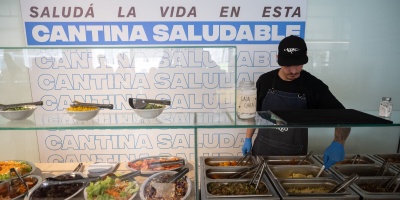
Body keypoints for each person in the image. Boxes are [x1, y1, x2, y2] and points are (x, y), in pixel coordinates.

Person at [242, 35, 350, 169]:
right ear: (278, 59)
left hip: (294, 159)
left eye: (298, 65)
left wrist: (338, 142)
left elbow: (345, 117)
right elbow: (254, 113)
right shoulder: (264, 81)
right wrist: (248, 138)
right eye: (288, 65)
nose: (293, 71)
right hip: (262, 151)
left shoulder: (314, 86)